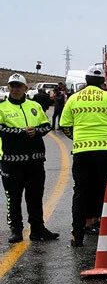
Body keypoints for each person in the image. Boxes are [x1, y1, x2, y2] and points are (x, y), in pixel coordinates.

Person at [60, 65, 107, 247]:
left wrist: (78, 139)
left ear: (86, 80)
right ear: (103, 82)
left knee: (81, 192)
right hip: (106, 153)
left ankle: (77, 236)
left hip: (82, 153)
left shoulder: (74, 98)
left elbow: (65, 125)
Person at [0, 74, 59, 243]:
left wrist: (36, 131)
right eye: (12, 86)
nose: (15, 89)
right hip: (11, 162)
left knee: (35, 197)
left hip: (35, 162)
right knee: (13, 198)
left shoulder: (35, 106)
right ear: (8, 88)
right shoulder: (2, 107)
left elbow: (46, 126)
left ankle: (38, 229)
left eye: (18, 86)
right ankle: (16, 230)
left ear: (25, 88)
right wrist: (21, 132)